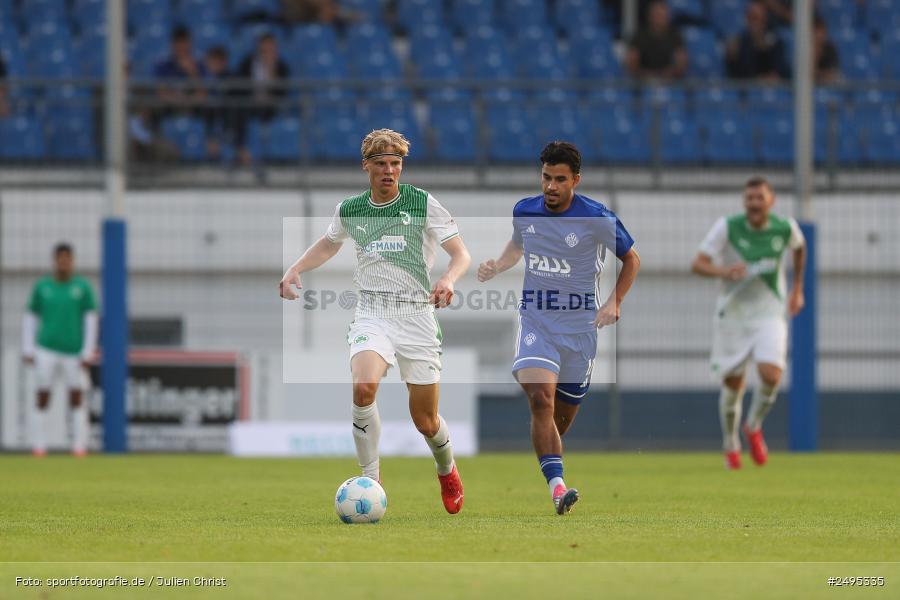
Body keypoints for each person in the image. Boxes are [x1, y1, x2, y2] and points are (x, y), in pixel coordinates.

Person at [279, 129, 471, 514]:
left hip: (416, 315)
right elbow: (330, 243)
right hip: (373, 312)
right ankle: (371, 480)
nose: (389, 171)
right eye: (381, 164)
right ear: (366, 166)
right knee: (364, 387)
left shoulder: (421, 202)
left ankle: (447, 470)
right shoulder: (350, 209)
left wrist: (449, 279)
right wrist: (296, 268)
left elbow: (460, 254)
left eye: (395, 164)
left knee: (426, 420)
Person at [477, 142, 640, 515]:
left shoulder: (596, 218)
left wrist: (614, 301)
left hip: (581, 329)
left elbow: (631, 259)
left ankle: (549, 458)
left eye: (560, 180)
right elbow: (518, 245)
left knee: (558, 422)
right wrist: (498, 266)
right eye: (546, 178)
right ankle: (558, 488)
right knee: (540, 399)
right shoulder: (524, 210)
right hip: (537, 320)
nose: (551, 186)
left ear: (576, 181)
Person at [691, 177, 806, 470]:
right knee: (734, 385)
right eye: (749, 198)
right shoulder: (727, 227)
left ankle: (753, 426)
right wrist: (724, 271)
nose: (754, 203)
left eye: (760, 198)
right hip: (734, 316)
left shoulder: (785, 227)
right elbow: (698, 264)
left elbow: (800, 247)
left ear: (771, 201)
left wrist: (797, 289)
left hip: (770, 314)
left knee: (771, 374)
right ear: (745, 202)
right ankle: (730, 444)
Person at [22, 243, 98, 457]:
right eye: (60, 258)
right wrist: (28, 348)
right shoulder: (42, 286)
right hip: (46, 348)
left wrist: (88, 351)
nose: (63, 263)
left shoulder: (82, 287)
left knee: (77, 396)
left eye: (67, 259)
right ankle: (39, 446)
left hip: (74, 350)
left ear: (72, 261)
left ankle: (79, 446)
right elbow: (31, 317)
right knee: (42, 395)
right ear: (54, 260)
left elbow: (90, 319)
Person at [233, 33, 290, 165]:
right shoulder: (247, 63)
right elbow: (239, 86)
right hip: (250, 104)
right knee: (237, 110)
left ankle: (271, 156)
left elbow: (282, 92)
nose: (268, 51)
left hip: (272, 106)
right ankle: (242, 150)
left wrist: (271, 71)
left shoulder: (282, 66)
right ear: (259, 48)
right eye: (265, 48)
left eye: (271, 48)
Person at [625, 0, 688, 81]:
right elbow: (631, 61)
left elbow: (682, 61)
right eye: (657, 15)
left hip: (670, 80)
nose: (659, 18)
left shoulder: (675, 35)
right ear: (650, 16)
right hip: (643, 81)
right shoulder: (640, 35)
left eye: (662, 15)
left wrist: (670, 73)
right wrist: (645, 75)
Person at [726, 1, 789, 81]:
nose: (753, 23)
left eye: (756, 18)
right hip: (747, 89)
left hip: (772, 87)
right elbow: (737, 74)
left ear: (765, 19)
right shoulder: (739, 43)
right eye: (750, 18)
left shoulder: (776, 41)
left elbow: (781, 71)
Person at [813, 15, 840, 84]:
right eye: (817, 32)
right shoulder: (804, 47)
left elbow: (832, 74)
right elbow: (805, 73)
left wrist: (818, 73)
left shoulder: (830, 48)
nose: (820, 36)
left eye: (822, 32)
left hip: (826, 84)